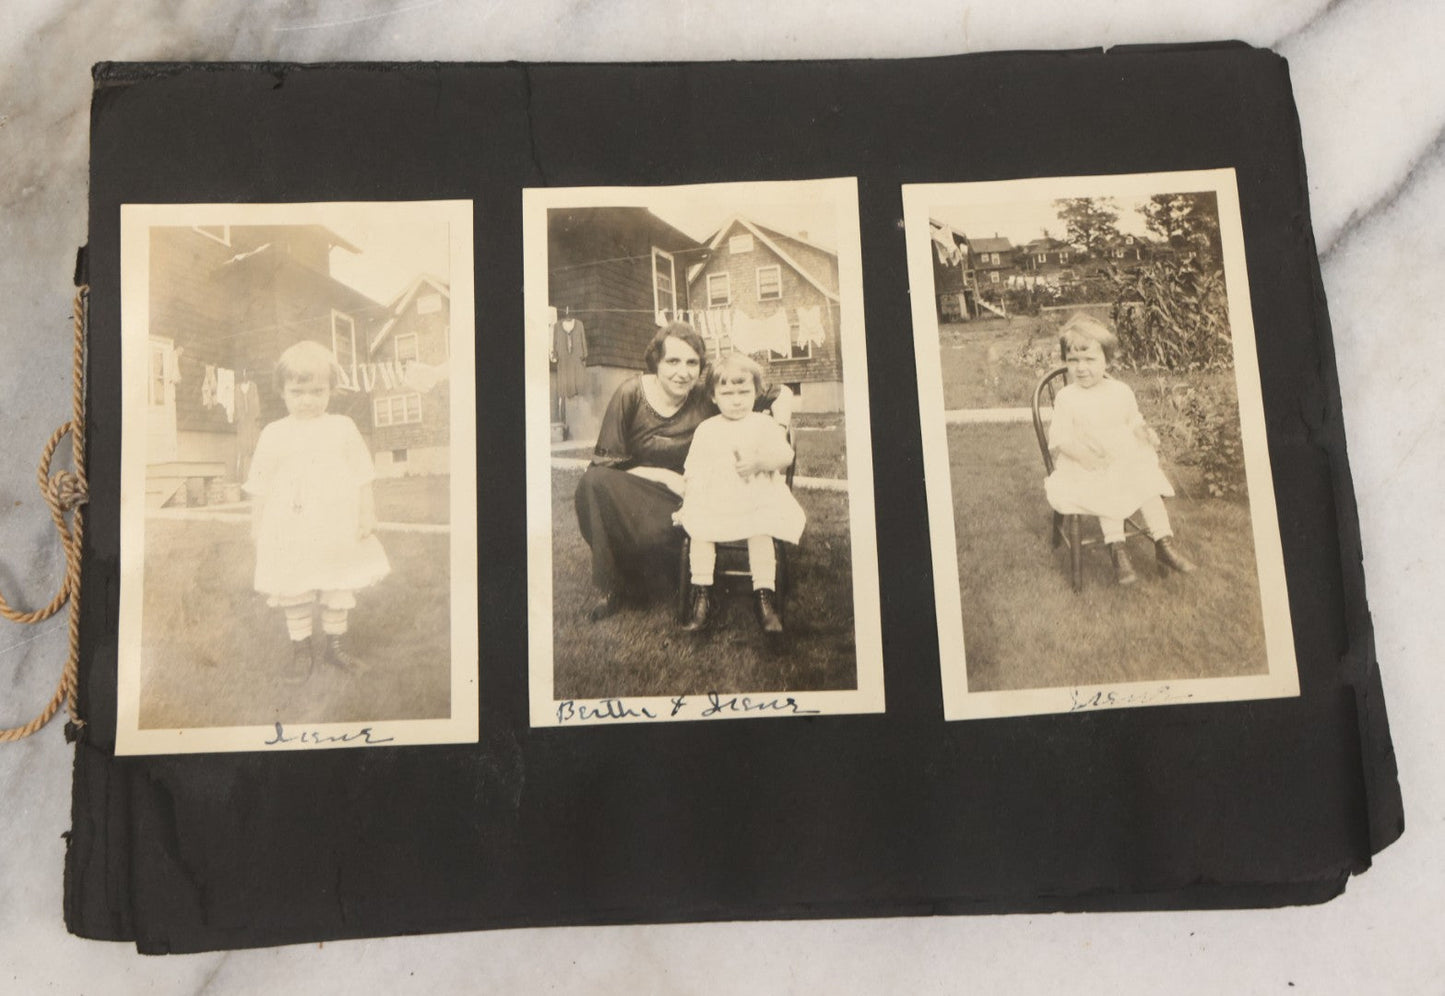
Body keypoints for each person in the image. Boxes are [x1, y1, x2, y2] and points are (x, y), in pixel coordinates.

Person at [574, 322, 791, 621]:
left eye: (692, 363)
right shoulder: (630, 394)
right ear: (656, 363)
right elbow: (606, 464)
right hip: (640, 494)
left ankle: (659, 571)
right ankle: (612, 588)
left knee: (673, 536)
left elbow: (781, 393)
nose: (683, 372)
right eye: (673, 361)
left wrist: (779, 430)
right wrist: (665, 476)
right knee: (593, 483)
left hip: (693, 499)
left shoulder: (706, 395)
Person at [245, 341, 390, 681]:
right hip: (289, 524)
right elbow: (259, 484)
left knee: (337, 580)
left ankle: (335, 648)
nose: (308, 400)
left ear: (331, 390)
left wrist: (367, 514)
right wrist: (257, 524)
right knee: (293, 583)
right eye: (298, 392)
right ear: (282, 391)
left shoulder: (342, 427)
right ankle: (301, 649)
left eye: (317, 391)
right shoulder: (273, 433)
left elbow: (362, 475)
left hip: (335, 522)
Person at [1044, 313, 1197, 585]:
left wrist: (1144, 433)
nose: (1081, 368)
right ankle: (1117, 549)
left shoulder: (1120, 391)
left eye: (1090, 360)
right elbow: (1059, 439)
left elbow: (1133, 420)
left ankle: (1164, 543)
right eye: (1073, 360)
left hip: (1119, 459)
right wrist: (1085, 457)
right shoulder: (1068, 398)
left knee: (1148, 484)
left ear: (1108, 360)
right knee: (1107, 484)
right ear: (1065, 361)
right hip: (1082, 465)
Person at [674, 354, 805, 634]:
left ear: (757, 392)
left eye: (744, 392)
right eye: (727, 393)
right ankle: (702, 594)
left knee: (760, 530)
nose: (736, 400)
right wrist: (691, 500)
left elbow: (785, 455)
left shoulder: (763, 424)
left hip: (757, 497)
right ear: (713, 395)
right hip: (718, 500)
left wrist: (760, 462)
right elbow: (693, 470)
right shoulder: (707, 430)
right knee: (701, 530)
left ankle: (764, 596)